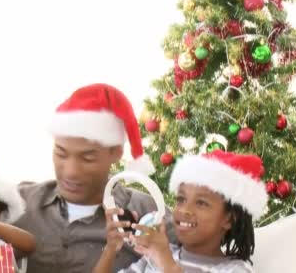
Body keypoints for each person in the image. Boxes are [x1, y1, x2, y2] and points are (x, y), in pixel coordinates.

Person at [13, 83, 175, 272]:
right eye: (61, 154)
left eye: (87, 158)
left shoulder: (150, 212)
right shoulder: (19, 202)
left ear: (116, 153)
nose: (71, 171)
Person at [94, 150, 267, 273]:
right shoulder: (155, 255)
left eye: (201, 203)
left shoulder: (234, 270)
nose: (184, 210)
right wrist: (111, 249)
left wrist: (166, 263)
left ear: (229, 219)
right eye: (181, 199)